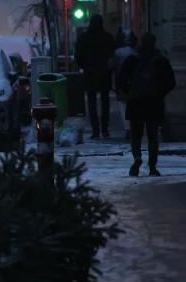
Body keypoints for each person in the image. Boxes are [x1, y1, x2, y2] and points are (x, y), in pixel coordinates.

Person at [117, 33, 176, 177]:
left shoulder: (132, 60)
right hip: (153, 103)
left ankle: (137, 157)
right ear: (154, 43)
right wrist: (159, 93)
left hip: (136, 102)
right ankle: (152, 166)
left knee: (135, 135)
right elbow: (171, 82)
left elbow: (120, 80)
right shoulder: (160, 61)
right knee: (152, 135)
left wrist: (129, 92)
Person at [74, 14, 116, 139]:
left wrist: (84, 66)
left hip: (90, 73)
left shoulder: (84, 38)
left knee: (91, 102)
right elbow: (112, 55)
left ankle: (95, 130)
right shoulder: (107, 37)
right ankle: (105, 129)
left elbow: (78, 56)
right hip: (104, 73)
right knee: (105, 101)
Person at [113, 31, 138, 139]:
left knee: (123, 105)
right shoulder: (136, 53)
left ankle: (127, 127)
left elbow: (112, 65)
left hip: (121, 79)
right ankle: (133, 125)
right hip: (135, 81)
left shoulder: (117, 53)